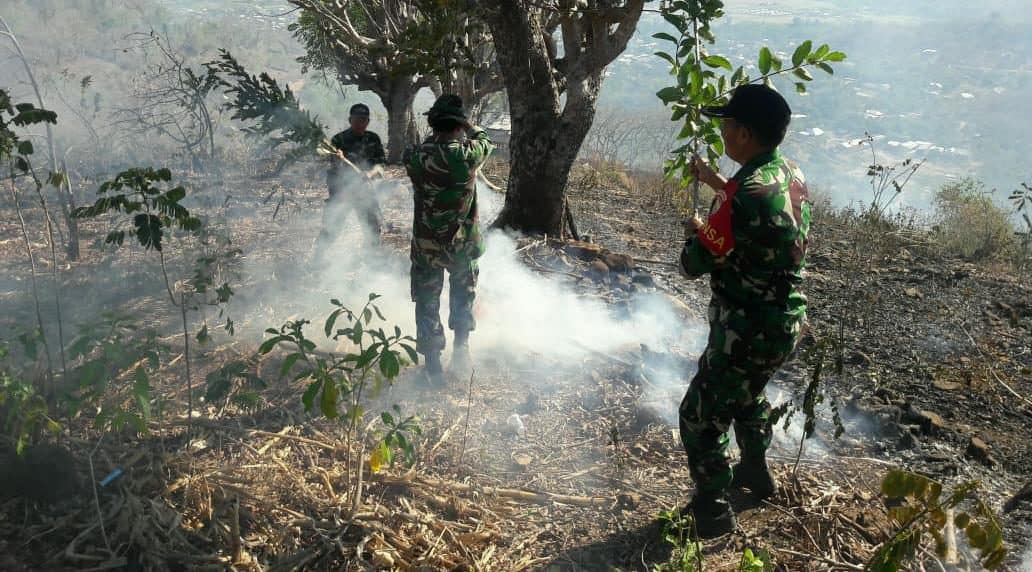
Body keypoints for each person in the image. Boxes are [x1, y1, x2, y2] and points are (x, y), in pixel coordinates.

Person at [677, 84, 810, 537]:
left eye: (728, 125)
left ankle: (711, 508)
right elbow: (753, 204)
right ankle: (754, 471)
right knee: (748, 395)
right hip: (785, 321)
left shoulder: (743, 199)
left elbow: (692, 263)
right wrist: (717, 183)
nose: (723, 131)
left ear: (746, 135)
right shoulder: (786, 171)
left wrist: (699, 229)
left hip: (746, 327)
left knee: (700, 415)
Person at [404, 94, 494, 385]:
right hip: (461, 247)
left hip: (426, 246)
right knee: (462, 294)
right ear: (458, 125)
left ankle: (432, 367)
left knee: (427, 300)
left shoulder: (416, 157)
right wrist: (469, 124)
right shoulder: (468, 154)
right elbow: (485, 140)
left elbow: (416, 156)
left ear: (433, 123)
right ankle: (460, 350)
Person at [315, 103, 386, 259]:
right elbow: (335, 167)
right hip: (342, 191)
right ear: (350, 120)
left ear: (368, 121)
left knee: (372, 227)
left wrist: (370, 173)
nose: (360, 123)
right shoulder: (338, 139)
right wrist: (338, 158)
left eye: (364, 120)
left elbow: (380, 166)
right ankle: (317, 259)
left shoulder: (373, 139)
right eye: (357, 119)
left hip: (364, 191)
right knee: (332, 226)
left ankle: (372, 261)